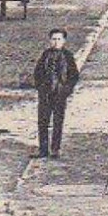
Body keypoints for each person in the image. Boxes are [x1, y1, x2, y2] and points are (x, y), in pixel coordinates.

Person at [31, 27, 80, 159]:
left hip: (60, 95)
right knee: (43, 122)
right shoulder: (45, 55)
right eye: (53, 39)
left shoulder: (68, 56)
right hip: (45, 94)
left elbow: (74, 76)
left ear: (64, 41)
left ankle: (55, 149)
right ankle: (43, 149)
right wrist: (40, 87)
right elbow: (38, 72)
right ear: (49, 40)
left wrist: (66, 90)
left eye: (59, 39)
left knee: (58, 122)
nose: (56, 42)